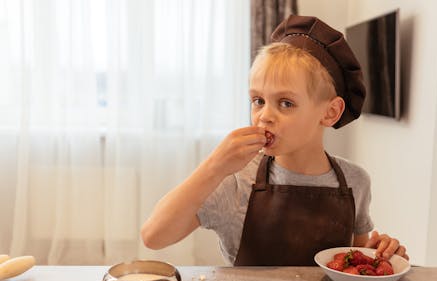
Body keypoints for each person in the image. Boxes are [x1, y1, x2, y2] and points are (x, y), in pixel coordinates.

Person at [141, 15, 409, 266]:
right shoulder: (236, 182)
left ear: (330, 113)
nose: (264, 116)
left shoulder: (355, 181)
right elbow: (154, 236)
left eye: (286, 103)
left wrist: (380, 255)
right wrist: (214, 166)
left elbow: (358, 258)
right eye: (258, 100)